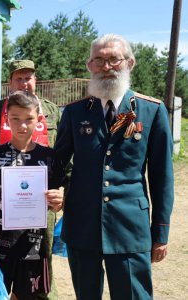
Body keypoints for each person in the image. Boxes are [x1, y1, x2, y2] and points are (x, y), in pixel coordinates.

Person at [52, 33, 174, 299]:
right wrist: (54, 189)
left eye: (113, 60)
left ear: (129, 63)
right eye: (99, 60)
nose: (106, 67)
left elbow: (162, 176)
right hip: (82, 225)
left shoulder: (150, 110)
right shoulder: (75, 113)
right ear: (89, 66)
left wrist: (160, 231)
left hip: (130, 227)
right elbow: (57, 164)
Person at [0, 59, 62, 299]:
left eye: (28, 77)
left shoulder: (53, 113)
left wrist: (62, 196)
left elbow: (66, 168)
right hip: (2, 221)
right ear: (10, 82)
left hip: (40, 219)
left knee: (34, 286)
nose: (22, 125)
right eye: (18, 78)